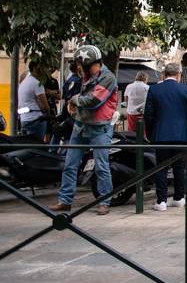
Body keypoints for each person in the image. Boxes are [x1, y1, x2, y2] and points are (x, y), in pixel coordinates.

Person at [52, 45, 117, 215]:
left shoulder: (108, 78)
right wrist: (73, 103)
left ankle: (104, 202)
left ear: (87, 63)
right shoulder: (85, 77)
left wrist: (74, 100)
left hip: (99, 128)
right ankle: (65, 200)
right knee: (70, 164)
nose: (78, 67)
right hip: (80, 125)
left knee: (101, 166)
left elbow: (94, 100)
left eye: (80, 63)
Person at [143, 63, 187, 211]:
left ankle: (161, 201)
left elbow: (148, 115)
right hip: (180, 134)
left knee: (161, 167)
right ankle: (179, 197)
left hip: (161, 134)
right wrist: (184, 124)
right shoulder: (186, 90)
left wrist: (151, 133)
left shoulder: (154, 89)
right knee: (179, 167)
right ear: (178, 75)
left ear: (164, 74)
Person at [17, 60, 50, 139]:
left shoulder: (24, 83)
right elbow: (45, 107)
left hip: (24, 120)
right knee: (37, 146)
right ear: (35, 68)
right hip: (36, 120)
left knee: (27, 145)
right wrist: (49, 115)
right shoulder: (37, 84)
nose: (44, 70)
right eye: (42, 68)